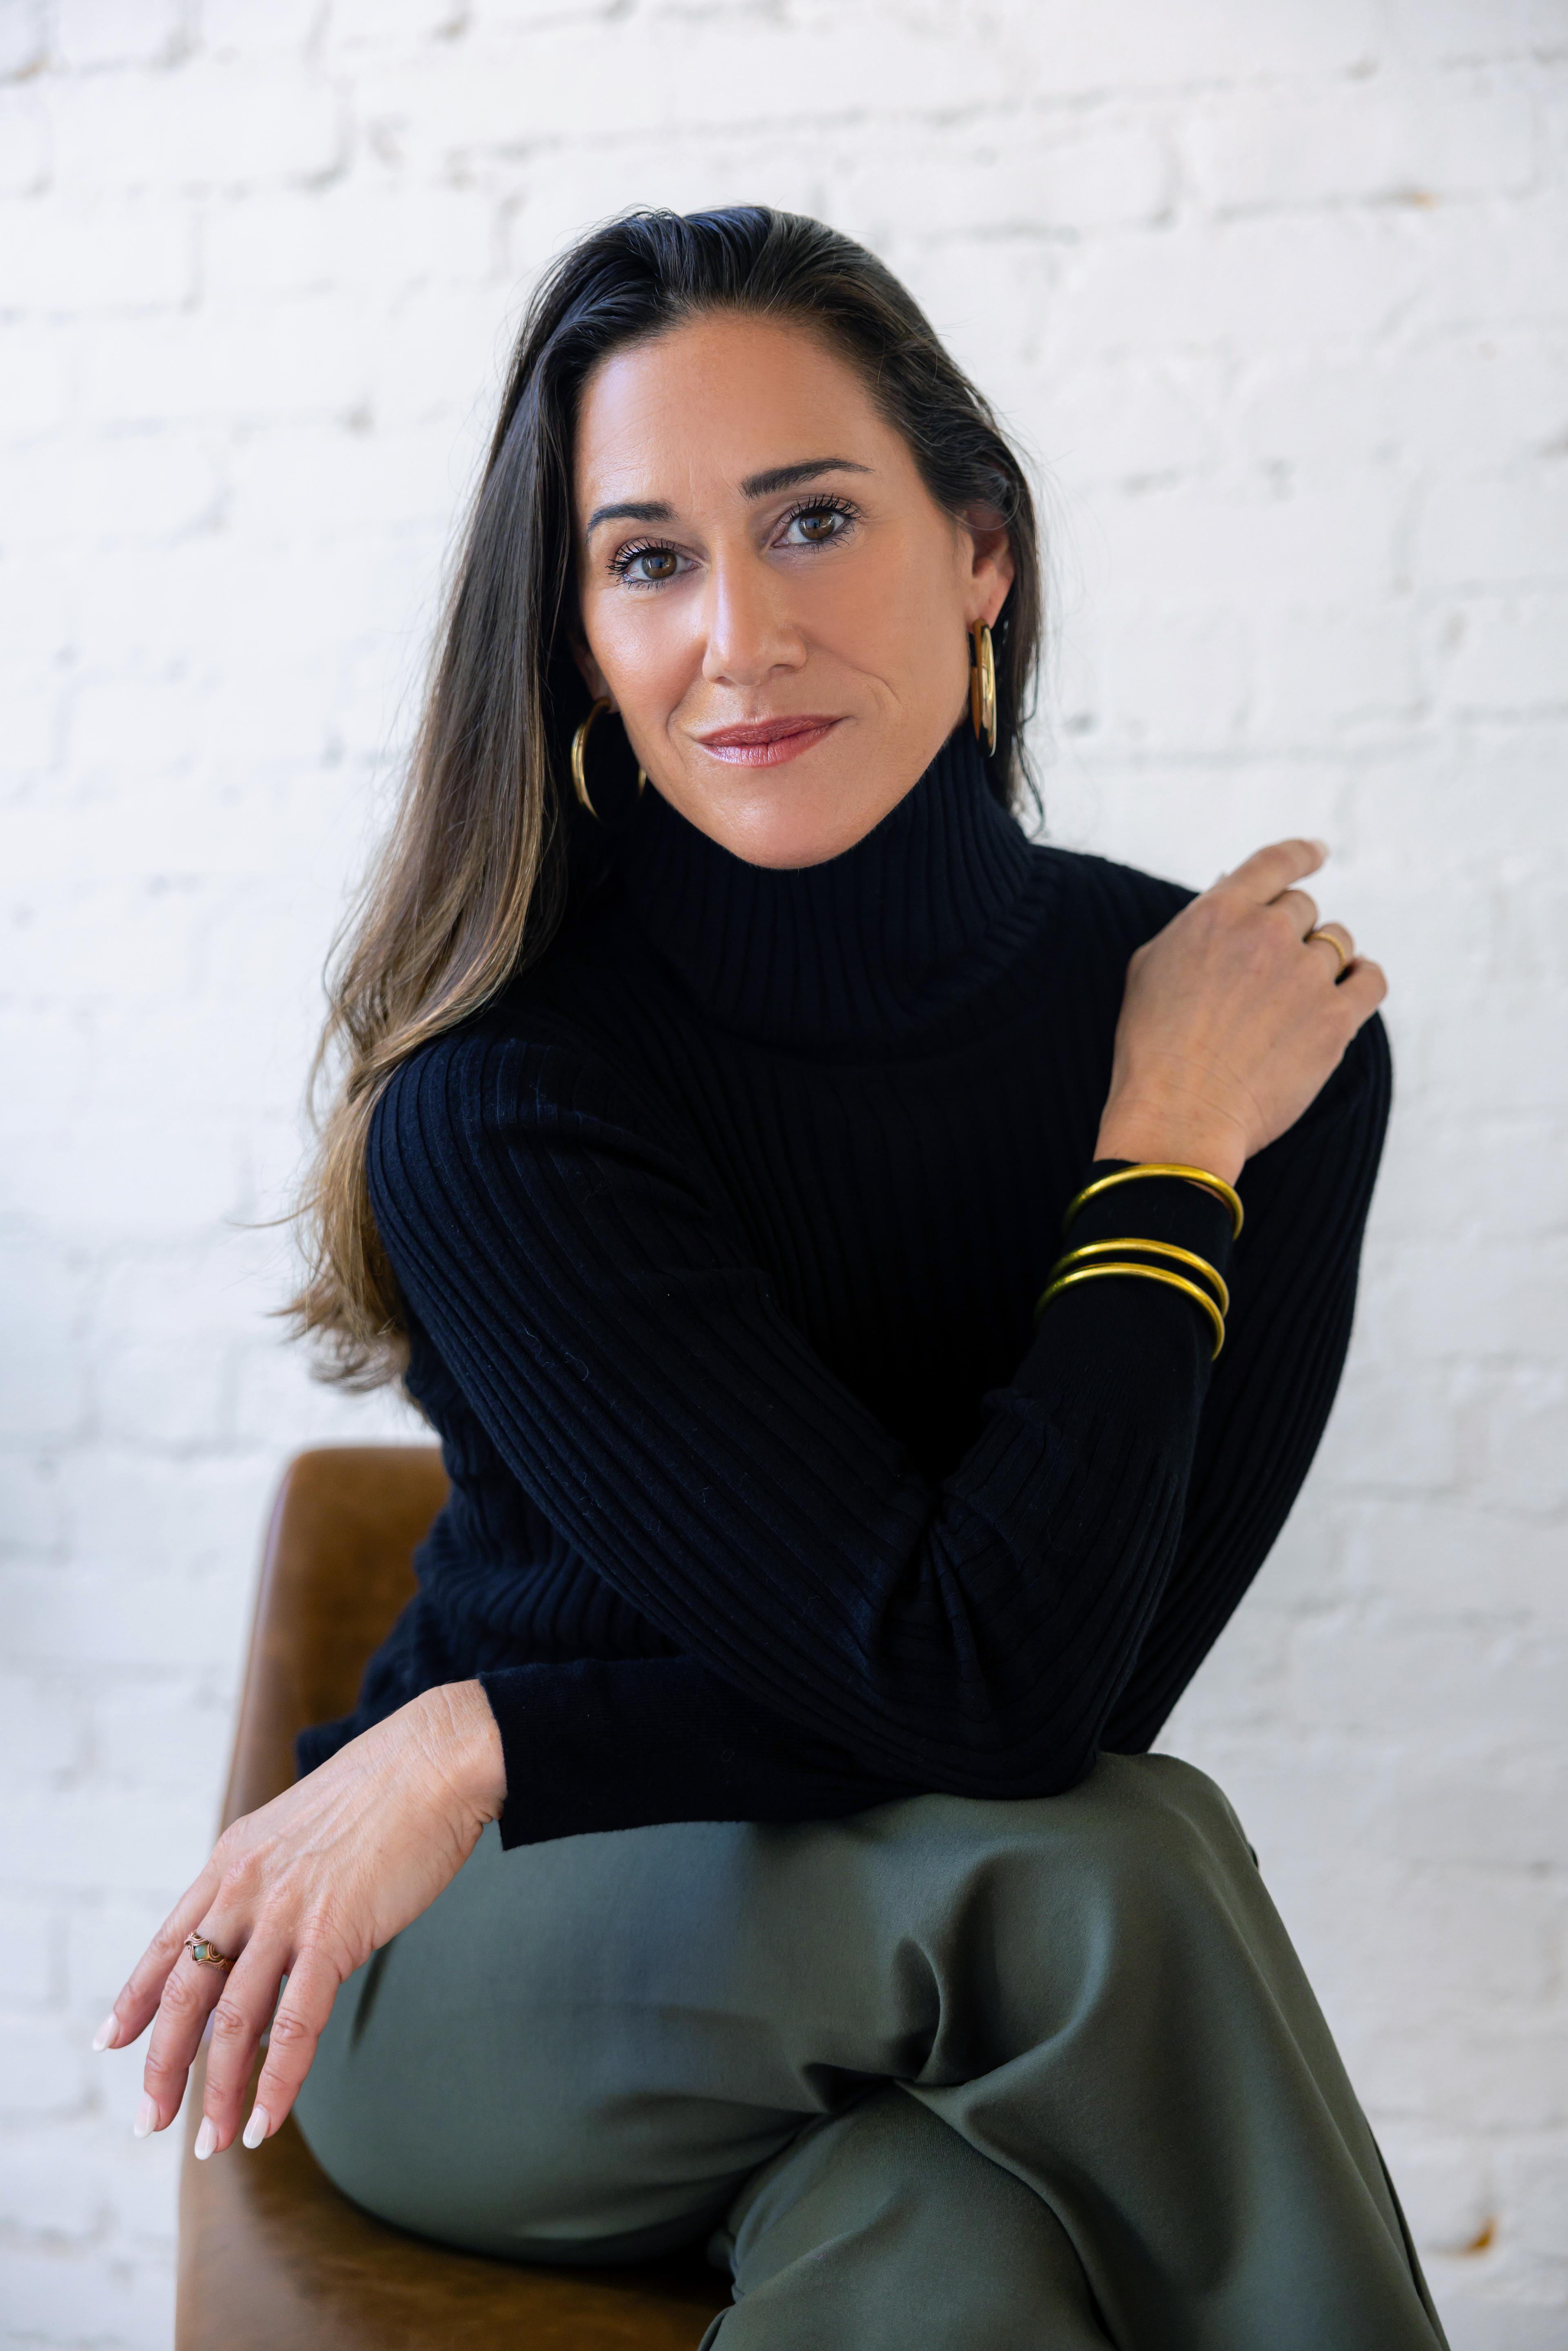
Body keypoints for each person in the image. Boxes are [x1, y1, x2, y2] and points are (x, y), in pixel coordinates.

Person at [95, 208, 1448, 2348]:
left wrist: (497, 1732)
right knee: (1110, 1869)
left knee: (953, 2243)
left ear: (981, 549)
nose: (740, 634)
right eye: (648, 559)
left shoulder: (1247, 1038)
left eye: (812, 521)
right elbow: (1006, 1727)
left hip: (917, 1939)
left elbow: (1070, 1696)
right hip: (485, 1962)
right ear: (578, 636)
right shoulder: (512, 1095)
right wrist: (1163, 1165)